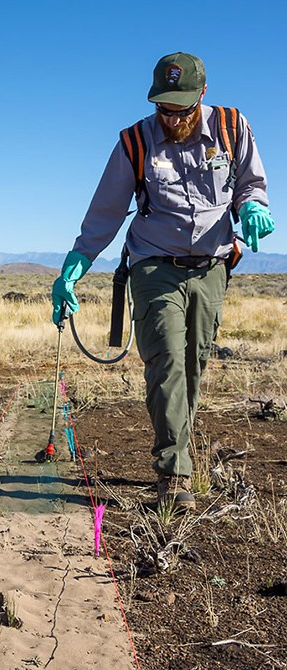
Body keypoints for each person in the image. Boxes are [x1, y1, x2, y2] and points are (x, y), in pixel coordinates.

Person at [51, 52, 274, 510]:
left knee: (193, 365)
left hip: (212, 266)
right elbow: (105, 212)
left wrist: (254, 206)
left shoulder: (233, 128)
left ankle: (177, 448)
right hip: (154, 266)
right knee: (167, 361)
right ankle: (175, 472)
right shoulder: (135, 142)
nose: (171, 117)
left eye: (182, 108)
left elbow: (251, 183)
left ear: (202, 95)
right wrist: (75, 264)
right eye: (163, 108)